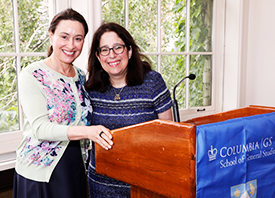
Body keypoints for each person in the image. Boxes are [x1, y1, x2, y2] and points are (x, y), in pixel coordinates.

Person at [13, 8, 113, 198]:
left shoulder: (80, 76)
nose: (71, 45)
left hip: (74, 167)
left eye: (78, 38)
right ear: (51, 36)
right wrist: (89, 132)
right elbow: (41, 128)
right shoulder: (32, 75)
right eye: (64, 36)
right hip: (39, 172)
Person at [85, 22, 173, 198]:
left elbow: (169, 133)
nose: (112, 55)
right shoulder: (90, 88)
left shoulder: (152, 82)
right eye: (105, 49)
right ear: (97, 55)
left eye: (118, 47)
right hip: (102, 184)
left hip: (145, 182)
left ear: (130, 51)